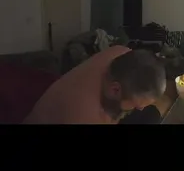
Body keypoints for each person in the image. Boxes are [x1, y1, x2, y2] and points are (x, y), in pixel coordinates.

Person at [23, 46, 168, 124]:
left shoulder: (121, 52)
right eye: (136, 104)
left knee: (151, 114)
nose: (140, 107)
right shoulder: (84, 115)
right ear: (115, 89)